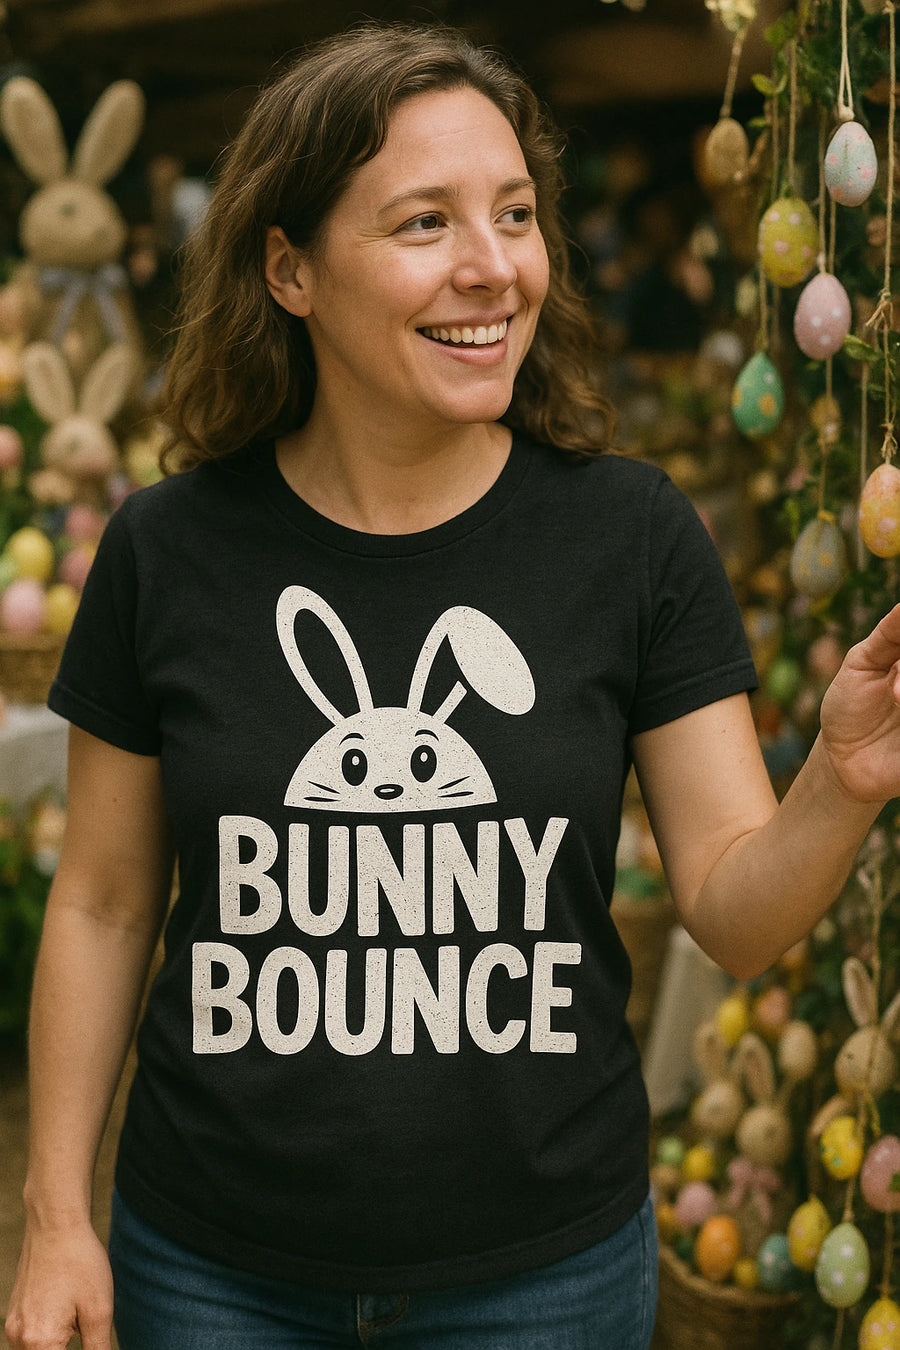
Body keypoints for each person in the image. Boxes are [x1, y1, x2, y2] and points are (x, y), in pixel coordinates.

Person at [4, 21, 900, 1350]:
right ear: (291, 268)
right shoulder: (168, 548)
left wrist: (838, 780)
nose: (494, 268)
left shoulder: (632, 538)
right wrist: (54, 1212)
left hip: (543, 1280)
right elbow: (104, 898)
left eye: (518, 214)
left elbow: (732, 910)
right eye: (426, 222)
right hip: (215, 1273)